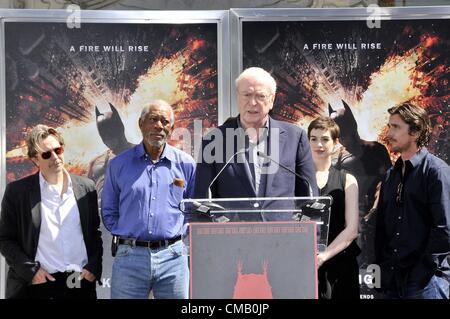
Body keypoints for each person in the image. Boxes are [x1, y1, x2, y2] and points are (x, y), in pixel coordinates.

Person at [194, 67, 318, 219]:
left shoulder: (295, 137)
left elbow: (309, 197)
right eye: (246, 95)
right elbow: (202, 201)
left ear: (272, 100)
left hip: (284, 238)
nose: (252, 103)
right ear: (237, 97)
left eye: (260, 96)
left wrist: (309, 237)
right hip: (232, 238)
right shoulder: (214, 140)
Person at [101, 99, 195, 299]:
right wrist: (128, 233)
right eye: (153, 119)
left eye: (165, 121)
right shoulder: (118, 165)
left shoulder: (186, 164)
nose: (159, 126)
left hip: (173, 258)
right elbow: (109, 211)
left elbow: (192, 209)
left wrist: (177, 234)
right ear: (141, 124)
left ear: (171, 129)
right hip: (130, 259)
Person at [0, 124, 102, 299]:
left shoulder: (86, 187)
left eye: (58, 150)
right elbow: (5, 239)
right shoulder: (18, 192)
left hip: (77, 281)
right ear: (34, 159)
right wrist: (31, 271)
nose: (55, 157)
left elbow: (94, 234)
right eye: (47, 154)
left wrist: (93, 268)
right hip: (40, 283)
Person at [375, 102, 450, 299]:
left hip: (426, 282)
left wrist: (422, 269)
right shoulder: (391, 175)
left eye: (396, 127)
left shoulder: (436, 171)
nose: (389, 133)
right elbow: (383, 226)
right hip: (393, 280)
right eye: (390, 126)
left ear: (415, 132)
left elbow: (445, 230)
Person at [307, 117, 360, 299]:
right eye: (313, 139)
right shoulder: (295, 180)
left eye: (325, 139)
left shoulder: (347, 180)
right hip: (305, 265)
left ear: (336, 143)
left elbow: (352, 229)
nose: (319, 144)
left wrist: (323, 256)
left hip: (340, 266)